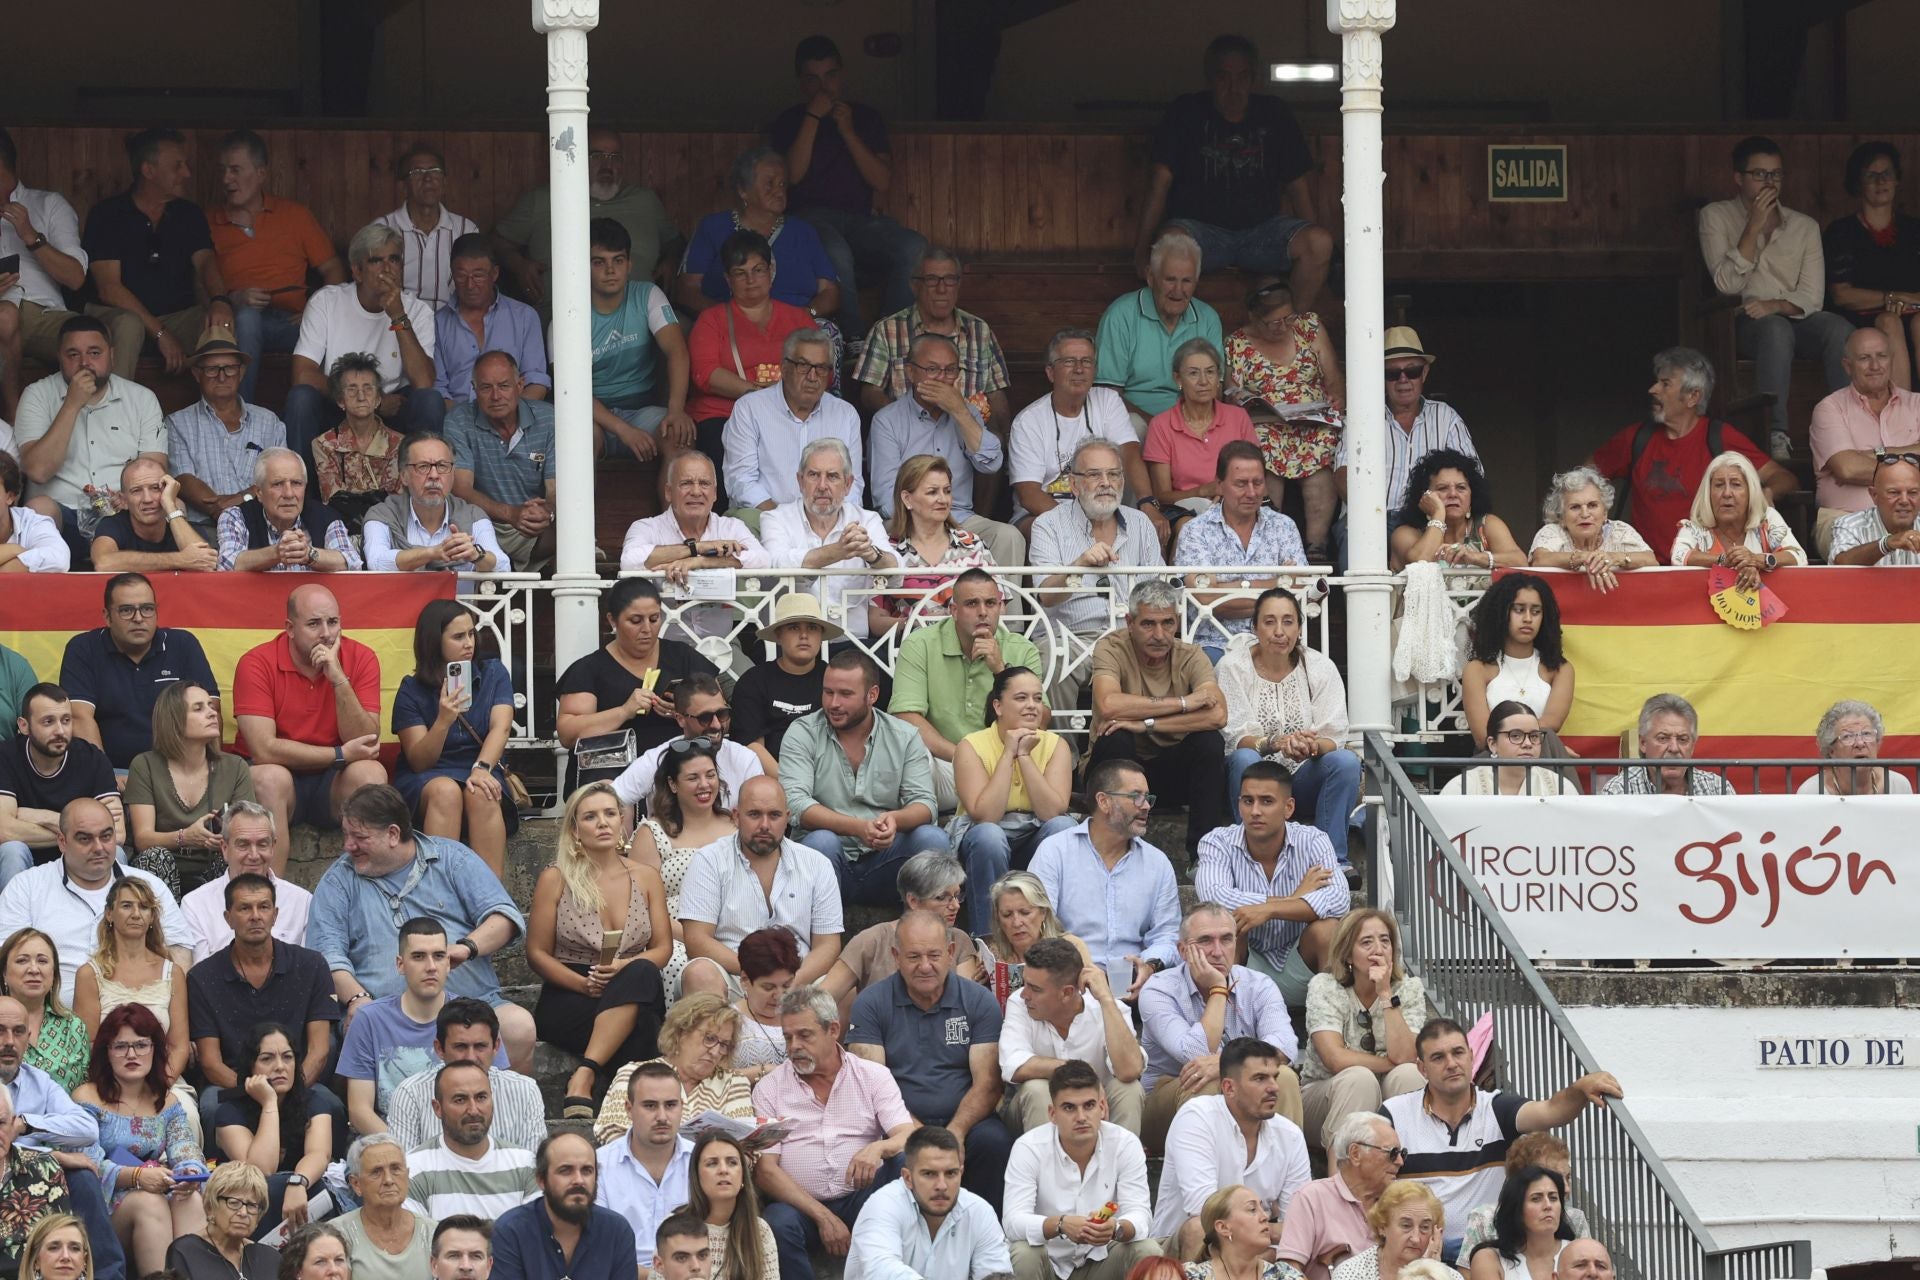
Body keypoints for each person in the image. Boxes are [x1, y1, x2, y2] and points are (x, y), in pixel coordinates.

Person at [313, 785, 533, 1054]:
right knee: (361, 1024)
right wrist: (358, 999)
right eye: (346, 835)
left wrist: (466, 947)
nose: (348, 846)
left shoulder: (452, 858)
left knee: (519, 1028)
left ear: (393, 834)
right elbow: (326, 955)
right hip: (384, 1012)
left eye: (359, 837)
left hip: (471, 1006)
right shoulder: (338, 881)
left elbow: (504, 917)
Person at [1384, 1019, 1622, 1257]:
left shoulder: (1497, 1109)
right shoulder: (1395, 1113)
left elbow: (1551, 1111)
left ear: (1471, 1055)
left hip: (1485, 1252)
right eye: (1438, 1057)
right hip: (1417, 1251)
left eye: (1458, 1053)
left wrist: (1579, 1089)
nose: (1451, 1064)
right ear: (1422, 1068)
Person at [1141, 33, 1333, 310]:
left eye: (1242, 78)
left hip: (1262, 233)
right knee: (1169, 244)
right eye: (1223, 78)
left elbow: (1298, 186)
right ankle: (1179, 339)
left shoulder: (1274, 113)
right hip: (1202, 233)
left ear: (1255, 79)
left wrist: (1318, 252)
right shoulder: (1186, 112)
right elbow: (1159, 184)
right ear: (1209, 79)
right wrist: (1142, 250)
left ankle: (1293, 334)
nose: (1234, 88)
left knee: (1319, 242)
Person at [1699, 135, 1853, 459]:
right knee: (1775, 328)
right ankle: (1777, 432)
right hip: (1745, 325)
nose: (1769, 182)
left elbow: (1813, 296)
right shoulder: (1716, 216)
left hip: (1797, 317)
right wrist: (1752, 228)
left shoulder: (1804, 226)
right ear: (1738, 178)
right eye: (1759, 174)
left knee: (1839, 328)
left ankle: (1848, 426)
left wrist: (1777, 305)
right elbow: (1725, 285)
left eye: (1776, 174)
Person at [752, 984, 917, 1280]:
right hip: (802, 1208)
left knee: (905, 1162)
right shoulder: (770, 1088)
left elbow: (907, 1134)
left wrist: (878, 1148)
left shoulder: (872, 1076)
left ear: (833, 1030)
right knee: (776, 1220)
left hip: (863, 1197)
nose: (794, 1047)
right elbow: (766, 1170)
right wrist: (823, 1216)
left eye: (804, 1035)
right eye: (787, 1037)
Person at [848, 909, 1011, 1210]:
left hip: (968, 1123)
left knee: (995, 1143)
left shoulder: (978, 1000)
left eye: (934, 955)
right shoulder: (870, 1004)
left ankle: (989, 1238)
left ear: (951, 953)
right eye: (913, 957)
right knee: (898, 1158)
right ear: (896, 956)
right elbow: (871, 1084)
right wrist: (920, 1137)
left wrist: (956, 1132)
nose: (925, 966)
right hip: (898, 1125)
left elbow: (988, 1083)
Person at [528, 782, 671, 1119]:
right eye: (590, 817)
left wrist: (622, 967)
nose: (603, 822)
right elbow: (536, 953)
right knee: (644, 1027)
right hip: (571, 990)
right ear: (576, 830)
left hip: (631, 982)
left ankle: (585, 1075)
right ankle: (637, 1107)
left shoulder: (647, 876)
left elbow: (663, 948)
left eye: (610, 813)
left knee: (643, 973)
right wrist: (583, 985)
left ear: (623, 822)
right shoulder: (556, 878)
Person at [770, 35, 925, 340]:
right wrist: (813, 117)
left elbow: (881, 181)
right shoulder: (789, 121)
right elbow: (792, 177)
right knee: (836, 252)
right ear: (802, 83)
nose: (824, 86)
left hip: (859, 220)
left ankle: (886, 340)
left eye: (830, 75)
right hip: (808, 219)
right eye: (813, 79)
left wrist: (848, 131)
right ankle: (855, 339)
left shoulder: (865, 118)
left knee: (915, 246)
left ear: (841, 75)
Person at [782, 650, 948, 906]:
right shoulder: (803, 732)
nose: (833, 703)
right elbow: (794, 804)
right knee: (821, 841)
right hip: (826, 856)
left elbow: (925, 804)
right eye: (828, 692)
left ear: (872, 695)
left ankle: (928, 937)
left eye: (845, 694)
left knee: (932, 838)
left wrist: (893, 819)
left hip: (886, 859)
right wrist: (858, 828)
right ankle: (820, 940)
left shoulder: (904, 736)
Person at [1136, 902, 1301, 1150]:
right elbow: (1195, 1054)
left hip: (1239, 1093)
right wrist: (1218, 989)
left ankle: (1286, 1175)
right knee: (1210, 1082)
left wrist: (1227, 1062)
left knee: (1284, 1077)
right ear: (1182, 950)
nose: (1217, 951)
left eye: (1226, 939)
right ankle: (1207, 1184)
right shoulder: (1158, 989)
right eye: (1205, 941)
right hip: (1165, 1102)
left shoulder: (1259, 984)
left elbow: (1286, 1045)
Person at [185, 870, 336, 1138]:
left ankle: (324, 1176)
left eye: (263, 907)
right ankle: (217, 1180)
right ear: (228, 918)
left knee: (331, 1105)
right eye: (244, 908)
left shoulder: (311, 965)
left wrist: (287, 1088)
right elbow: (210, 1062)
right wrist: (257, 1091)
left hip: (294, 1080)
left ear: (275, 915)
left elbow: (319, 1050)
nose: (256, 916)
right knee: (210, 1108)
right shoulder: (203, 977)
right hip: (233, 1083)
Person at [1586, 347, 1791, 545]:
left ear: (1693, 396)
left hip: (1703, 566)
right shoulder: (1635, 438)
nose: (1653, 389)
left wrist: (1768, 494)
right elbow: (1580, 480)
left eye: (1665, 384)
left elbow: (1784, 478)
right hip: (1646, 568)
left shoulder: (1720, 437)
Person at [1086, 581, 1230, 857]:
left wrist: (1147, 723)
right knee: (1115, 736)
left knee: (1209, 743)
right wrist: (1184, 703)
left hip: (1171, 773)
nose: (1160, 634)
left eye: (1167, 623)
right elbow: (1109, 704)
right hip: (1116, 771)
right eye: (1148, 624)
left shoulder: (1191, 655)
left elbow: (1217, 714)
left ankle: (1204, 858)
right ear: (1130, 622)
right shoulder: (1111, 647)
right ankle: (1111, 848)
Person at [233, 584, 385, 843]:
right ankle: (267, 885)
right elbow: (263, 750)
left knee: (371, 774)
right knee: (269, 778)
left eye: (333, 622)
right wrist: (339, 755)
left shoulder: (362, 657)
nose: (326, 634)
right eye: (314, 624)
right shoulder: (256, 662)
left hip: (333, 780)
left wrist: (337, 678)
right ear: (290, 628)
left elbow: (366, 740)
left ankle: (371, 881)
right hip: (281, 774)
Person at [284, 224, 443, 469]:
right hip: (340, 406)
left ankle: (422, 489)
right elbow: (302, 374)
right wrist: (372, 401)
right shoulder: (327, 301)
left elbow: (423, 381)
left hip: (393, 410)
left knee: (429, 401)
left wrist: (398, 315)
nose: (387, 268)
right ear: (357, 271)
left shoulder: (417, 310)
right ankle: (301, 490)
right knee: (301, 398)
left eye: (394, 259)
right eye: (376, 261)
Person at [81, 128, 234, 381]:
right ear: (148, 171)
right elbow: (110, 289)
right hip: (116, 317)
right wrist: (161, 334)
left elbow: (206, 260)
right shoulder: (107, 214)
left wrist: (220, 300)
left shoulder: (189, 214)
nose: (186, 173)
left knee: (218, 326)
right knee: (129, 326)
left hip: (176, 316)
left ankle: (219, 414)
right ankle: (115, 416)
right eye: (177, 166)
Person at [0, 797, 187, 1003]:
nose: (99, 847)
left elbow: (179, 953)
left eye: (106, 836)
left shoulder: (150, 886)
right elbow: (7, 959)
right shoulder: (26, 886)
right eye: (85, 839)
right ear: (62, 842)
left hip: (135, 1017)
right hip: (50, 1022)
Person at [13, 316, 166, 562]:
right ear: (59, 357)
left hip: (123, 514)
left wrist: (127, 496)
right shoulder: (37, 395)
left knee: (172, 503)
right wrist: (72, 404)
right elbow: (38, 471)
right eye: (73, 355)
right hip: (63, 515)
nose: (84, 363)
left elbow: (155, 467)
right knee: (38, 508)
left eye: (94, 352)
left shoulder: (141, 398)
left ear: (112, 355)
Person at [1030, 438, 1168, 709]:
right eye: (1094, 474)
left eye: (1113, 474)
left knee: (1186, 657)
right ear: (1074, 484)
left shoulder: (1140, 522)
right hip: (1074, 639)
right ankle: (1063, 751)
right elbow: (1046, 594)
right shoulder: (1048, 525)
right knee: (1051, 659)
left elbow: (1161, 592)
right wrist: (1078, 566)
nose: (1106, 482)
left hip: (1134, 638)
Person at [676, 774, 842, 999]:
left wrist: (792, 981)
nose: (764, 825)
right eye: (754, 814)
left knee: (844, 988)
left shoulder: (817, 864)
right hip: (735, 976)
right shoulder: (709, 860)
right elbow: (697, 940)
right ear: (736, 816)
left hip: (798, 978)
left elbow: (828, 945)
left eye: (774, 815)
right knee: (700, 973)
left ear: (787, 818)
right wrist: (755, 975)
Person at [1198, 753, 1349, 997]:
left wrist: (1267, 909)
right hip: (1245, 962)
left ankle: (1329, 1024)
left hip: (1300, 960)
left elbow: (1340, 899)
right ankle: (1229, 1029)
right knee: (1228, 929)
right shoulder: (1217, 841)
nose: (1255, 811)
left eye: (1266, 801)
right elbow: (1216, 899)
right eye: (1248, 801)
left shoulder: (1313, 840)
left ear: (1288, 808)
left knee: (1329, 929)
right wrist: (1295, 899)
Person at [207, 130, 344, 401]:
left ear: (260, 174)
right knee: (247, 318)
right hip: (237, 321)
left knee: (338, 336)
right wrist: (232, 298)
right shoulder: (208, 221)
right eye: (223, 170)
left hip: (293, 322)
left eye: (235, 170)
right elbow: (198, 287)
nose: (226, 179)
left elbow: (334, 271)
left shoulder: (294, 215)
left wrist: (314, 312)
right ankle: (239, 413)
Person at [1029, 758, 1181, 1002]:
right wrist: (1079, 968)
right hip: (1069, 984)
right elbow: (1039, 926)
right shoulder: (1055, 851)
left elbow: (1167, 934)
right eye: (1136, 796)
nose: (1146, 807)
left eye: (1148, 798)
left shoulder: (1157, 862)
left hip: (1134, 987)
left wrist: (1149, 965)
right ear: (1104, 801)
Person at [493, 123, 682, 318]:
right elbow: (498, 241)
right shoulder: (543, 199)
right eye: (597, 156)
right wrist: (520, 266)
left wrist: (671, 261)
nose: (607, 166)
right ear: (576, 157)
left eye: (614, 157)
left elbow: (674, 240)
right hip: (560, 317)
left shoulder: (645, 201)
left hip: (639, 317)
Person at [75, 1001, 209, 1275]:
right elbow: (85, 1163)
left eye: (141, 1045)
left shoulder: (167, 1101)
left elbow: (186, 1148)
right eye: (120, 1046)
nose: (131, 1054)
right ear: (106, 1052)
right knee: (150, 1201)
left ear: (155, 1050)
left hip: (155, 1191)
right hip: (103, 1209)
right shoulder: (86, 1097)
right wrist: (137, 1177)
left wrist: (188, 1173)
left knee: (189, 1199)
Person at [335, 920, 506, 1135]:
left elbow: (499, 1097)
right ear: (400, 964)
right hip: (391, 1146)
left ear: (448, 963)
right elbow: (360, 1111)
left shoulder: (475, 1017)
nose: (431, 966)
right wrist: (412, 1156)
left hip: (464, 1144)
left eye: (439, 956)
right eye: (418, 956)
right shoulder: (369, 1019)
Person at [1218, 588, 1358, 851]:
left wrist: (1310, 746)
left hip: (1301, 780)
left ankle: (1332, 858)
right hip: (1252, 784)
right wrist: (1277, 743)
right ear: (1255, 628)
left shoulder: (1319, 666)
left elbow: (1334, 735)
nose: (1279, 632)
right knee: (1244, 758)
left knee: (1346, 762)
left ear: (1300, 628)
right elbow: (1236, 738)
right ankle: (1248, 853)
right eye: (1269, 622)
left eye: (1288, 621)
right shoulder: (1232, 667)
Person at [870, 333, 1025, 568]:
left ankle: (1002, 605)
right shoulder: (887, 420)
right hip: (908, 520)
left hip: (958, 517)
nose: (942, 379)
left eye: (950, 370)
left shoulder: (968, 414)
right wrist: (926, 519)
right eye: (932, 370)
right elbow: (885, 497)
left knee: (1008, 536)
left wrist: (960, 411)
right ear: (911, 373)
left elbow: (991, 462)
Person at [894, 568, 1045, 807]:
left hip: (1006, 764)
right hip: (946, 765)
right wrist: (965, 758)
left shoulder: (1022, 649)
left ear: (1001, 608)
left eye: (991, 603)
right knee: (915, 757)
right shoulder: (920, 644)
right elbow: (906, 718)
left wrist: (1001, 672)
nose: (983, 612)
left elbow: (1041, 720)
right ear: (954, 611)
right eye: (972, 603)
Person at [1150, 1036, 1310, 1256]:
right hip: (1183, 1253)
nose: (1273, 1087)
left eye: (1274, 1077)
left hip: (1256, 1252)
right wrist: (1269, 1230)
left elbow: (1298, 1225)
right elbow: (1205, 1212)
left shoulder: (1290, 1135)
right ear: (1229, 1087)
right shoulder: (1197, 1117)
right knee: (1199, 1229)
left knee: (1299, 1249)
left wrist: (1268, 1241)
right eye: (1260, 1078)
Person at [1002, 1059, 1159, 1280]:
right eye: (1069, 1108)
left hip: (1102, 1260)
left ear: (1102, 1108)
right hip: (1049, 1264)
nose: (1081, 1117)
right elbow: (1012, 1222)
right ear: (1052, 1114)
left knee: (1147, 1250)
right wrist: (1060, 1224)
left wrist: (1116, 1228)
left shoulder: (1125, 1143)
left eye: (1089, 1105)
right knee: (1023, 1253)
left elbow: (1141, 1215)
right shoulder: (1029, 1147)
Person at [391, 599, 514, 876]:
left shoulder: (494, 672)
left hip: (480, 765)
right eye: (458, 637)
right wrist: (443, 721)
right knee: (445, 791)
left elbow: (501, 728)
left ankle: (491, 900)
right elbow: (420, 761)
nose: (469, 643)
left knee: (482, 791)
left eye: (471, 633)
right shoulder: (411, 690)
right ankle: (440, 898)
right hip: (429, 776)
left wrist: (482, 769)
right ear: (434, 642)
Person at [951, 664, 1078, 931]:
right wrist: (1008, 754)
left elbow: (1053, 812)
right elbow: (985, 815)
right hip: (985, 845)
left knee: (1064, 828)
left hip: (1033, 837)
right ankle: (989, 940)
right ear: (998, 706)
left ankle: (1051, 934)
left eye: (1037, 698)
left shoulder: (1056, 745)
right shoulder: (971, 745)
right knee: (989, 835)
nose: (1032, 706)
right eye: (1021, 698)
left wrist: (1025, 756)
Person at [685, 231, 822, 475]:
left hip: (792, 414)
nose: (751, 279)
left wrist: (782, 400)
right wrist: (758, 395)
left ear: (771, 271)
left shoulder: (798, 318)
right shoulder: (711, 320)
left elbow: (822, 369)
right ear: (728, 279)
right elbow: (705, 373)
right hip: (725, 414)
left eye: (758, 269)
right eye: (740, 273)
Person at [1295, 908, 1425, 1154]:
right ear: (1348, 955)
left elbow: (1407, 1056)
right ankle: (1340, 1180)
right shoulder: (1325, 986)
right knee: (1359, 1079)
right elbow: (1335, 1059)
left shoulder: (1408, 989)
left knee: (1408, 1074)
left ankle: (1412, 1175)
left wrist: (1385, 994)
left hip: (1385, 1089)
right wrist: (1388, 1062)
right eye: (1367, 942)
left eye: (1385, 940)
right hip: (1324, 1096)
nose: (1378, 949)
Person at [1230, 280, 1346, 556]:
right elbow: (1231, 395)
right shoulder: (1237, 343)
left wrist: (1336, 403)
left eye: (1288, 318)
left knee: (1325, 441)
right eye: (1273, 322)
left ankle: (1316, 546)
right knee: (1259, 444)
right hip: (1267, 424)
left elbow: (1334, 380)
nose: (1283, 326)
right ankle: (1271, 544)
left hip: (1314, 419)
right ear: (1254, 318)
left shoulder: (1309, 327)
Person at [61, 573, 217, 772]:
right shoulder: (83, 649)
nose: (138, 618)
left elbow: (211, 713)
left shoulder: (182, 644)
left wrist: (202, 774)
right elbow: (79, 717)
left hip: (178, 771)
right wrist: (104, 778)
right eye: (126, 610)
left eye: (147, 609)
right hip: (114, 771)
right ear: (107, 617)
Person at [556, 578, 722, 762]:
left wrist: (687, 710)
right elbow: (567, 734)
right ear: (613, 620)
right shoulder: (590, 669)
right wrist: (624, 711)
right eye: (635, 621)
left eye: (654, 619)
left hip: (678, 770)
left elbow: (722, 717)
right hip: (612, 773)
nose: (647, 629)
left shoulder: (682, 656)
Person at [1019, 327, 1164, 536]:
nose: (1079, 369)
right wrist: (1078, 526)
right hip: (1048, 511)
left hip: (1104, 507)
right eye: (1069, 361)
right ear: (1050, 372)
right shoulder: (1029, 421)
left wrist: (1147, 503)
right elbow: (1029, 494)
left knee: (1140, 526)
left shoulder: (1108, 400)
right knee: (1043, 529)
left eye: (1087, 361)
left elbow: (1130, 454)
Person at [855, 248, 1012, 437]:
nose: (942, 288)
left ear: (958, 284)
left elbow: (995, 395)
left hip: (967, 439)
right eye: (931, 280)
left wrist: (1000, 440)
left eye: (950, 279)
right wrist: (902, 422)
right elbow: (871, 393)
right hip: (910, 439)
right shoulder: (887, 330)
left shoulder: (979, 330)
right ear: (914, 285)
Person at [616, 452, 770, 642]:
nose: (696, 491)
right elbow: (629, 562)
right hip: (663, 648)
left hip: (722, 646)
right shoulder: (646, 527)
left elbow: (763, 561)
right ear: (668, 492)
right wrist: (697, 548)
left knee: (747, 673)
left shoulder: (731, 527)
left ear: (714, 493)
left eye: (704, 484)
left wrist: (702, 562)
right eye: (686, 483)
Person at [1000, 938, 1145, 1137]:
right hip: (1040, 1111)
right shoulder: (1018, 1003)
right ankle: (1047, 1167)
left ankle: (1120, 1165)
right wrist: (1079, 1072)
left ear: (1067, 993)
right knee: (1036, 1089)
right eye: (1025, 984)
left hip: (1096, 1112)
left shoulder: (1109, 1009)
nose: (1024, 994)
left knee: (1128, 1090)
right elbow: (1012, 1065)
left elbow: (1130, 1070)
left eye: (1035, 989)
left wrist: (1105, 999)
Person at [675, 147, 840, 321]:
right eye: (769, 183)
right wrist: (727, 317)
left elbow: (830, 290)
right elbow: (687, 289)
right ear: (743, 191)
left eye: (782, 184)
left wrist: (807, 313)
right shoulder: (713, 227)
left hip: (795, 327)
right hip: (730, 325)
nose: (779, 191)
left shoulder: (803, 232)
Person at [1175, 440, 1307, 657]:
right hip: (1214, 646)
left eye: (1258, 482)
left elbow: (1300, 592)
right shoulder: (1195, 531)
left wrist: (1229, 588)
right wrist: (1277, 585)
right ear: (1219, 485)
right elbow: (1206, 600)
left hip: (1278, 645)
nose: (1252, 492)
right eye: (1241, 483)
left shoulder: (1284, 526)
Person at [721, 330, 864, 523]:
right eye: (803, 366)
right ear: (785, 369)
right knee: (745, 520)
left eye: (821, 368)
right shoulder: (750, 408)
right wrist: (787, 522)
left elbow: (852, 485)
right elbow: (741, 481)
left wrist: (826, 523)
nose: (813, 377)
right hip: (766, 516)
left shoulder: (845, 414)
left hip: (827, 521)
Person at [587, 219, 695, 471]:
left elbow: (677, 351)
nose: (610, 270)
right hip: (592, 417)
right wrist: (623, 430)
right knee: (581, 443)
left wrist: (676, 410)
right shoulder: (570, 311)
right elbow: (568, 390)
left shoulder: (647, 294)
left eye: (618, 260)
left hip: (642, 412)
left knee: (680, 438)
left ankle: (674, 512)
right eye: (598, 262)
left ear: (629, 264)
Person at [631, 741, 735, 999]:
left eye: (710, 775)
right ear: (673, 785)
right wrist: (697, 938)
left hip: (734, 926)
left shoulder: (736, 827)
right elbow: (638, 906)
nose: (704, 784)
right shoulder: (653, 832)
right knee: (679, 964)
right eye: (693, 778)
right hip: (672, 933)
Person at [0, 127, 92, 420]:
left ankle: (101, 431)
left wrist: (31, 236)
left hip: (44, 317)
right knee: (4, 315)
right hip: (3, 313)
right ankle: (14, 425)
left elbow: (76, 278)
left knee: (94, 339)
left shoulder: (48, 204)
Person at [761, 448, 896, 645]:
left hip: (853, 644)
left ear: (848, 484)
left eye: (832, 476)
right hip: (787, 648)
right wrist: (839, 551)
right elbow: (775, 564)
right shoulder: (775, 518)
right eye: (813, 475)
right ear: (800, 481)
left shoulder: (867, 519)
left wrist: (871, 554)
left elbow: (896, 571)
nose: (822, 486)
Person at [73, 877, 191, 1102]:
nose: (136, 914)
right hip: (107, 1085)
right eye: (127, 905)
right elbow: (89, 1046)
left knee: (185, 1113)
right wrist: (120, 1091)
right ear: (109, 913)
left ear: (152, 917)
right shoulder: (89, 974)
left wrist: (156, 1088)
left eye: (144, 907)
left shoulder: (173, 973)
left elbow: (179, 1047)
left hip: (165, 1083)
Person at [1096, 231, 1224, 438]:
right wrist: (1158, 425)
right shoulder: (1121, 315)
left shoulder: (1207, 318)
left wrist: (1189, 425)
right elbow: (1108, 395)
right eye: (1170, 280)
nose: (1178, 290)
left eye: (1187, 281)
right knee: (1132, 426)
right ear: (1150, 277)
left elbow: (1214, 388)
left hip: (1193, 418)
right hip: (1139, 420)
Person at [210, 1022, 333, 1231]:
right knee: (270, 1188)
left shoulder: (314, 1102)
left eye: (287, 1057)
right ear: (250, 1067)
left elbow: (319, 1154)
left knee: (319, 1188)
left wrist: (298, 1182)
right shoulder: (229, 1112)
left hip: (300, 1196)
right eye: (267, 1059)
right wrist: (269, 1103)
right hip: (244, 1208)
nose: (280, 1066)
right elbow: (261, 1171)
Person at [845, 1124, 1010, 1279]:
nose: (942, 1185)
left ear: (961, 1173)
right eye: (929, 1174)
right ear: (907, 1178)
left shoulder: (979, 1211)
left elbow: (996, 1273)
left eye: (951, 1173)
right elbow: (883, 1271)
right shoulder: (883, 1205)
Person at [1809, 328, 1920, 556]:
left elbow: (1857, 463)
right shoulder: (1830, 408)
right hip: (1847, 519)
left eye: (1881, 356)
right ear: (1847, 366)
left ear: (1891, 359)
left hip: (1914, 517)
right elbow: (1848, 469)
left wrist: (1872, 454)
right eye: (1864, 358)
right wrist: (1910, 457)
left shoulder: (1917, 405)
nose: (1875, 366)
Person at [0, 682, 122, 889]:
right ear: (23, 725)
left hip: (77, 861)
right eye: (48, 722)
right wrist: (82, 832)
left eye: (66, 721)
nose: (60, 730)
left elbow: (117, 834)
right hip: (27, 858)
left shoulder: (93, 759)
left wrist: (47, 818)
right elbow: (4, 831)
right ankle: (13, 922)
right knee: (12, 850)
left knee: (116, 853)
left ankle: (106, 920)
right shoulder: (5, 756)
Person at [383, 998, 545, 1154]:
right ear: (439, 1048)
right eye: (461, 1047)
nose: (471, 1057)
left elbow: (533, 1169)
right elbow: (404, 1168)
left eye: (480, 1046)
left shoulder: (525, 1090)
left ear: (496, 1046)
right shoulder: (411, 1093)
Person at [165, 332, 289, 532]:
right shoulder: (177, 423)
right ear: (197, 374)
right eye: (213, 369)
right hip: (204, 528)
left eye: (230, 368)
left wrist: (241, 499)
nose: (222, 377)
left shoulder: (269, 421)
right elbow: (184, 479)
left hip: (261, 524)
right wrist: (219, 509)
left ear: (241, 372)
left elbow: (281, 477)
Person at [823, 852, 978, 1011]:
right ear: (913, 901)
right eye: (941, 897)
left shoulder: (959, 940)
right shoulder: (872, 940)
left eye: (956, 896)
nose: (955, 906)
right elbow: (822, 999)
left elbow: (967, 1008)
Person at [446, 350, 557, 571]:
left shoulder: (548, 418)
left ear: (520, 385)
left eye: (504, 386)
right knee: (459, 525)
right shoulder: (458, 421)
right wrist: (511, 514)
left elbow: (555, 488)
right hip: (482, 526)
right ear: (474, 389)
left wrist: (548, 511)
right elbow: (461, 488)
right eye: (486, 388)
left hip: (534, 527)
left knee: (570, 532)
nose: (496, 396)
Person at [593, 994, 754, 1146]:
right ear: (681, 1033)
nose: (715, 1052)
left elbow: (746, 1149)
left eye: (724, 1044)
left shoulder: (734, 1083)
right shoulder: (634, 1073)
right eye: (710, 1039)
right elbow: (612, 1132)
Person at [1824, 141, 1920, 391]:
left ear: (1897, 180)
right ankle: (1902, 419)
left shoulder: (1914, 231)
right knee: (1889, 321)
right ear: (1858, 183)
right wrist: (1891, 298)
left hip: (1913, 313)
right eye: (1872, 175)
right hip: (1863, 319)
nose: (1881, 181)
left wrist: (1907, 300)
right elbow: (1842, 294)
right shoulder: (1841, 232)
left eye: (1887, 174)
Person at [870, 454, 997, 634]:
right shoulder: (888, 551)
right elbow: (876, 620)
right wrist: (913, 626)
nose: (943, 499)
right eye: (932, 492)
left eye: (947, 491)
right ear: (907, 499)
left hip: (971, 649)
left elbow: (999, 607)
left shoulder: (973, 545)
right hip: (909, 651)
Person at [492, 1130, 642, 1280]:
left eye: (587, 1171)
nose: (579, 1180)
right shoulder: (511, 1231)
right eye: (565, 1171)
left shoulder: (616, 1231)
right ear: (541, 1180)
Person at [1275, 1114, 1409, 1280]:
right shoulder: (1311, 1198)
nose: (1400, 1161)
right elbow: (1286, 1271)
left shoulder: (1403, 1202)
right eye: (1392, 1152)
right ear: (1355, 1154)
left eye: (1402, 1153)